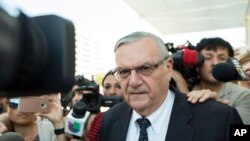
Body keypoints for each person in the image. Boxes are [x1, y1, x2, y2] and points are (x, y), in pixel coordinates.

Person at [100, 31, 243, 141]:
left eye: (145, 68)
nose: (133, 82)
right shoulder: (109, 120)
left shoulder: (221, 118)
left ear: (168, 68)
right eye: (124, 72)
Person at [176, 37, 250, 124]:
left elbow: (240, 134)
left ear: (231, 64)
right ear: (196, 64)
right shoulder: (180, 87)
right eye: (207, 58)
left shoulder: (243, 95)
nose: (215, 63)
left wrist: (184, 95)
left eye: (222, 58)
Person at [0, 94, 66, 141]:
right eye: (14, 103)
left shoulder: (51, 129)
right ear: (6, 106)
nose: (22, 109)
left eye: (28, 103)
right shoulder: (2, 131)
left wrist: (59, 123)